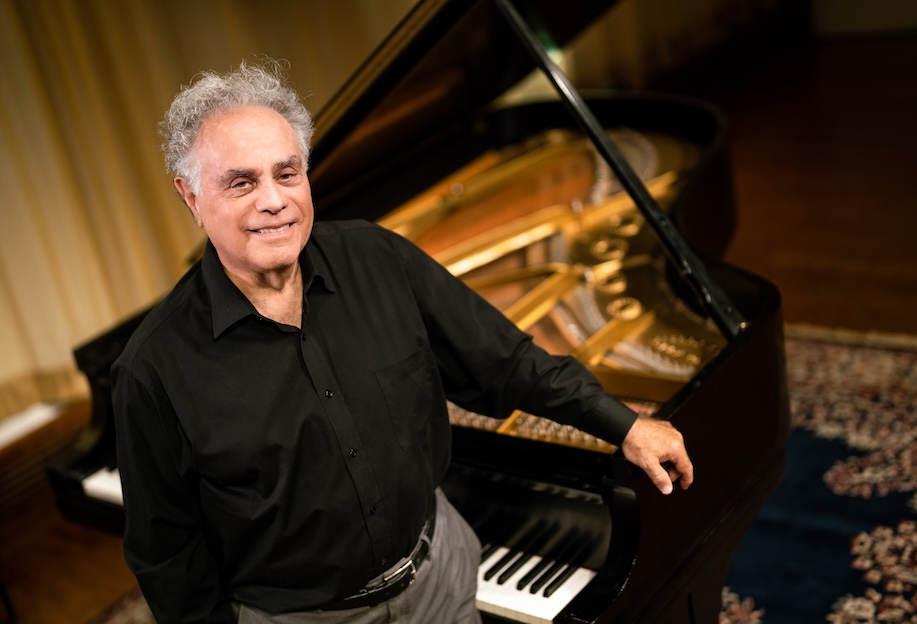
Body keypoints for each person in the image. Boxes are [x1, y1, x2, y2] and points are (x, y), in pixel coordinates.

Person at [112, 60, 693, 624]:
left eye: (287, 173)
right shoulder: (154, 368)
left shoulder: (377, 258)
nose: (274, 199)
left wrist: (624, 424)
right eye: (241, 182)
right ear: (190, 196)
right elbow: (167, 554)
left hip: (438, 573)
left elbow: (507, 360)